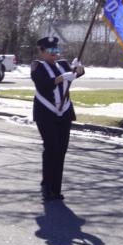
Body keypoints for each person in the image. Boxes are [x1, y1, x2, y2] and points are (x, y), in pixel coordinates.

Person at [31, 36, 85, 202]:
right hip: (46, 113)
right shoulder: (37, 66)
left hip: (65, 112)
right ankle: (47, 186)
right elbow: (43, 84)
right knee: (51, 148)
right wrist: (61, 79)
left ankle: (56, 188)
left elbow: (76, 74)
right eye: (50, 51)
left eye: (56, 50)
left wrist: (79, 69)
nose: (55, 54)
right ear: (42, 51)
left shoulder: (63, 64)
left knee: (61, 150)